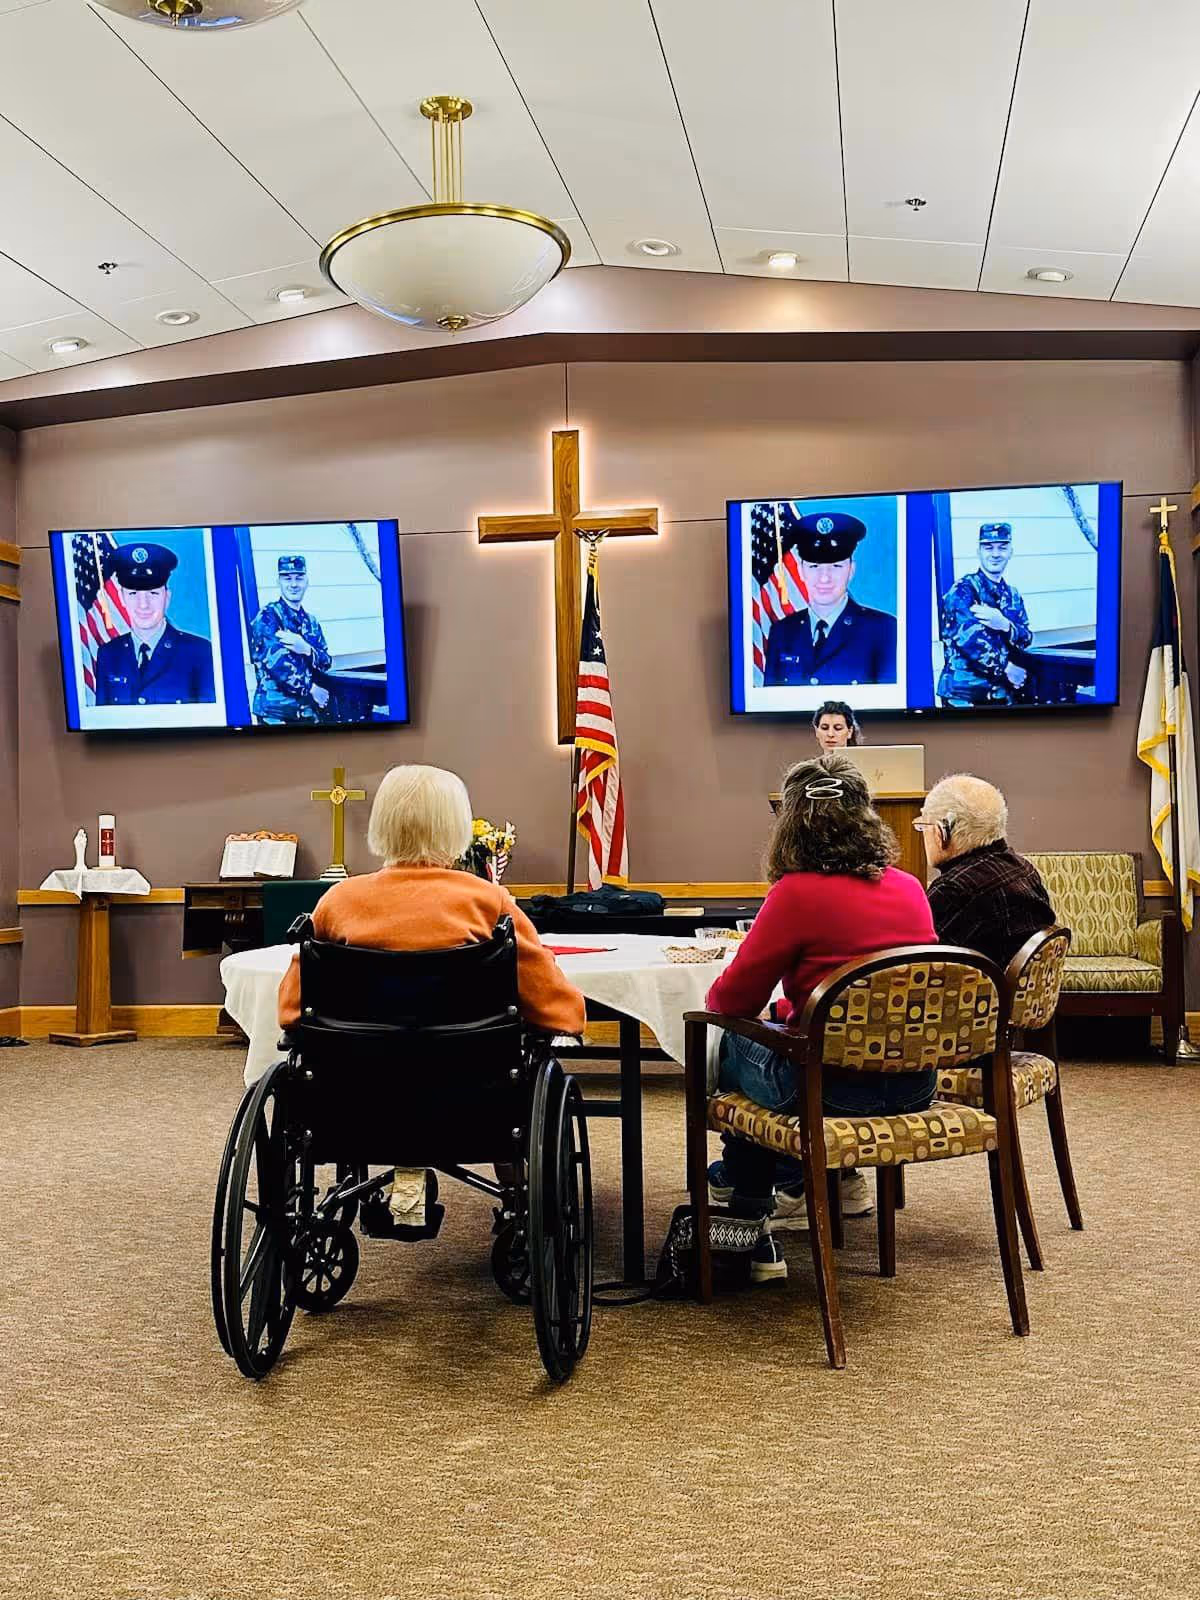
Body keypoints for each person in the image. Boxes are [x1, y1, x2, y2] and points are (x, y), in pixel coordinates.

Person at [277, 764, 586, 1229]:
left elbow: (291, 1011)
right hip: (473, 1101)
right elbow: (559, 1010)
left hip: (356, 1101)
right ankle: (519, 1204)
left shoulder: (336, 903)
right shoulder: (488, 903)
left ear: (382, 825)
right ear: (457, 827)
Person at [705, 753, 936, 1280]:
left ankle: (746, 1201)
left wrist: (786, 1010)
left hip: (827, 1092)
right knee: (772, 1037)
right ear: (866, 817)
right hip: (914, 1084)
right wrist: (798, 1007)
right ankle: (756, 1188)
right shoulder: (910, 888)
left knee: (725, 1045)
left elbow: (730, 1003)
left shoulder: (795, 894)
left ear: (790, 824)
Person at [918, 773, 1054, 969]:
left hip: (975, 998)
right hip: (1014, 997)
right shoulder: (1025, 870)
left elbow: (918, 965)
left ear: (941, 833)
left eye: (923, 826)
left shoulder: (954, 890)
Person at [764, 513, 897, 688]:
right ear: (801, 571)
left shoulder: (883, 630)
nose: (824, 578)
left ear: (851, 570)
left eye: (836, 566)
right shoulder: (781, 632)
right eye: (814, 566)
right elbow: (772, 706)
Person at [94, 542, 215, 707]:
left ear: (167, 597)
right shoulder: (108, 654)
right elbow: (102, 723)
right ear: (121, 598)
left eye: (153, 593)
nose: (143, 604)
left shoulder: (199, 653)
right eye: (133, 593)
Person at [937, 522, 1033, 706]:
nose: (996, 554)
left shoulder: (1013, 594)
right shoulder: (963, 590)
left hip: (1000, 694)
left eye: (1002, 547)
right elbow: (969, 640)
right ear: (978, 551)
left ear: (1010, 552)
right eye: (988, 547)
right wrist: (1008, 668)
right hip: (964, 695)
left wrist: (1005, 624)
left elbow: (1026, 637)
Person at [249, 554, 333, 724]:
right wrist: (312, 689)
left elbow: (326, 662)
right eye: (287, 578)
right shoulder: (268, 617)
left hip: (307, 712)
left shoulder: (311, 622)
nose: (294, 584)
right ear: (278, 582)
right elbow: (278, 665)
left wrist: (306, 649)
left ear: (306, 582)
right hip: (276, 713)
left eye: (299, 578)